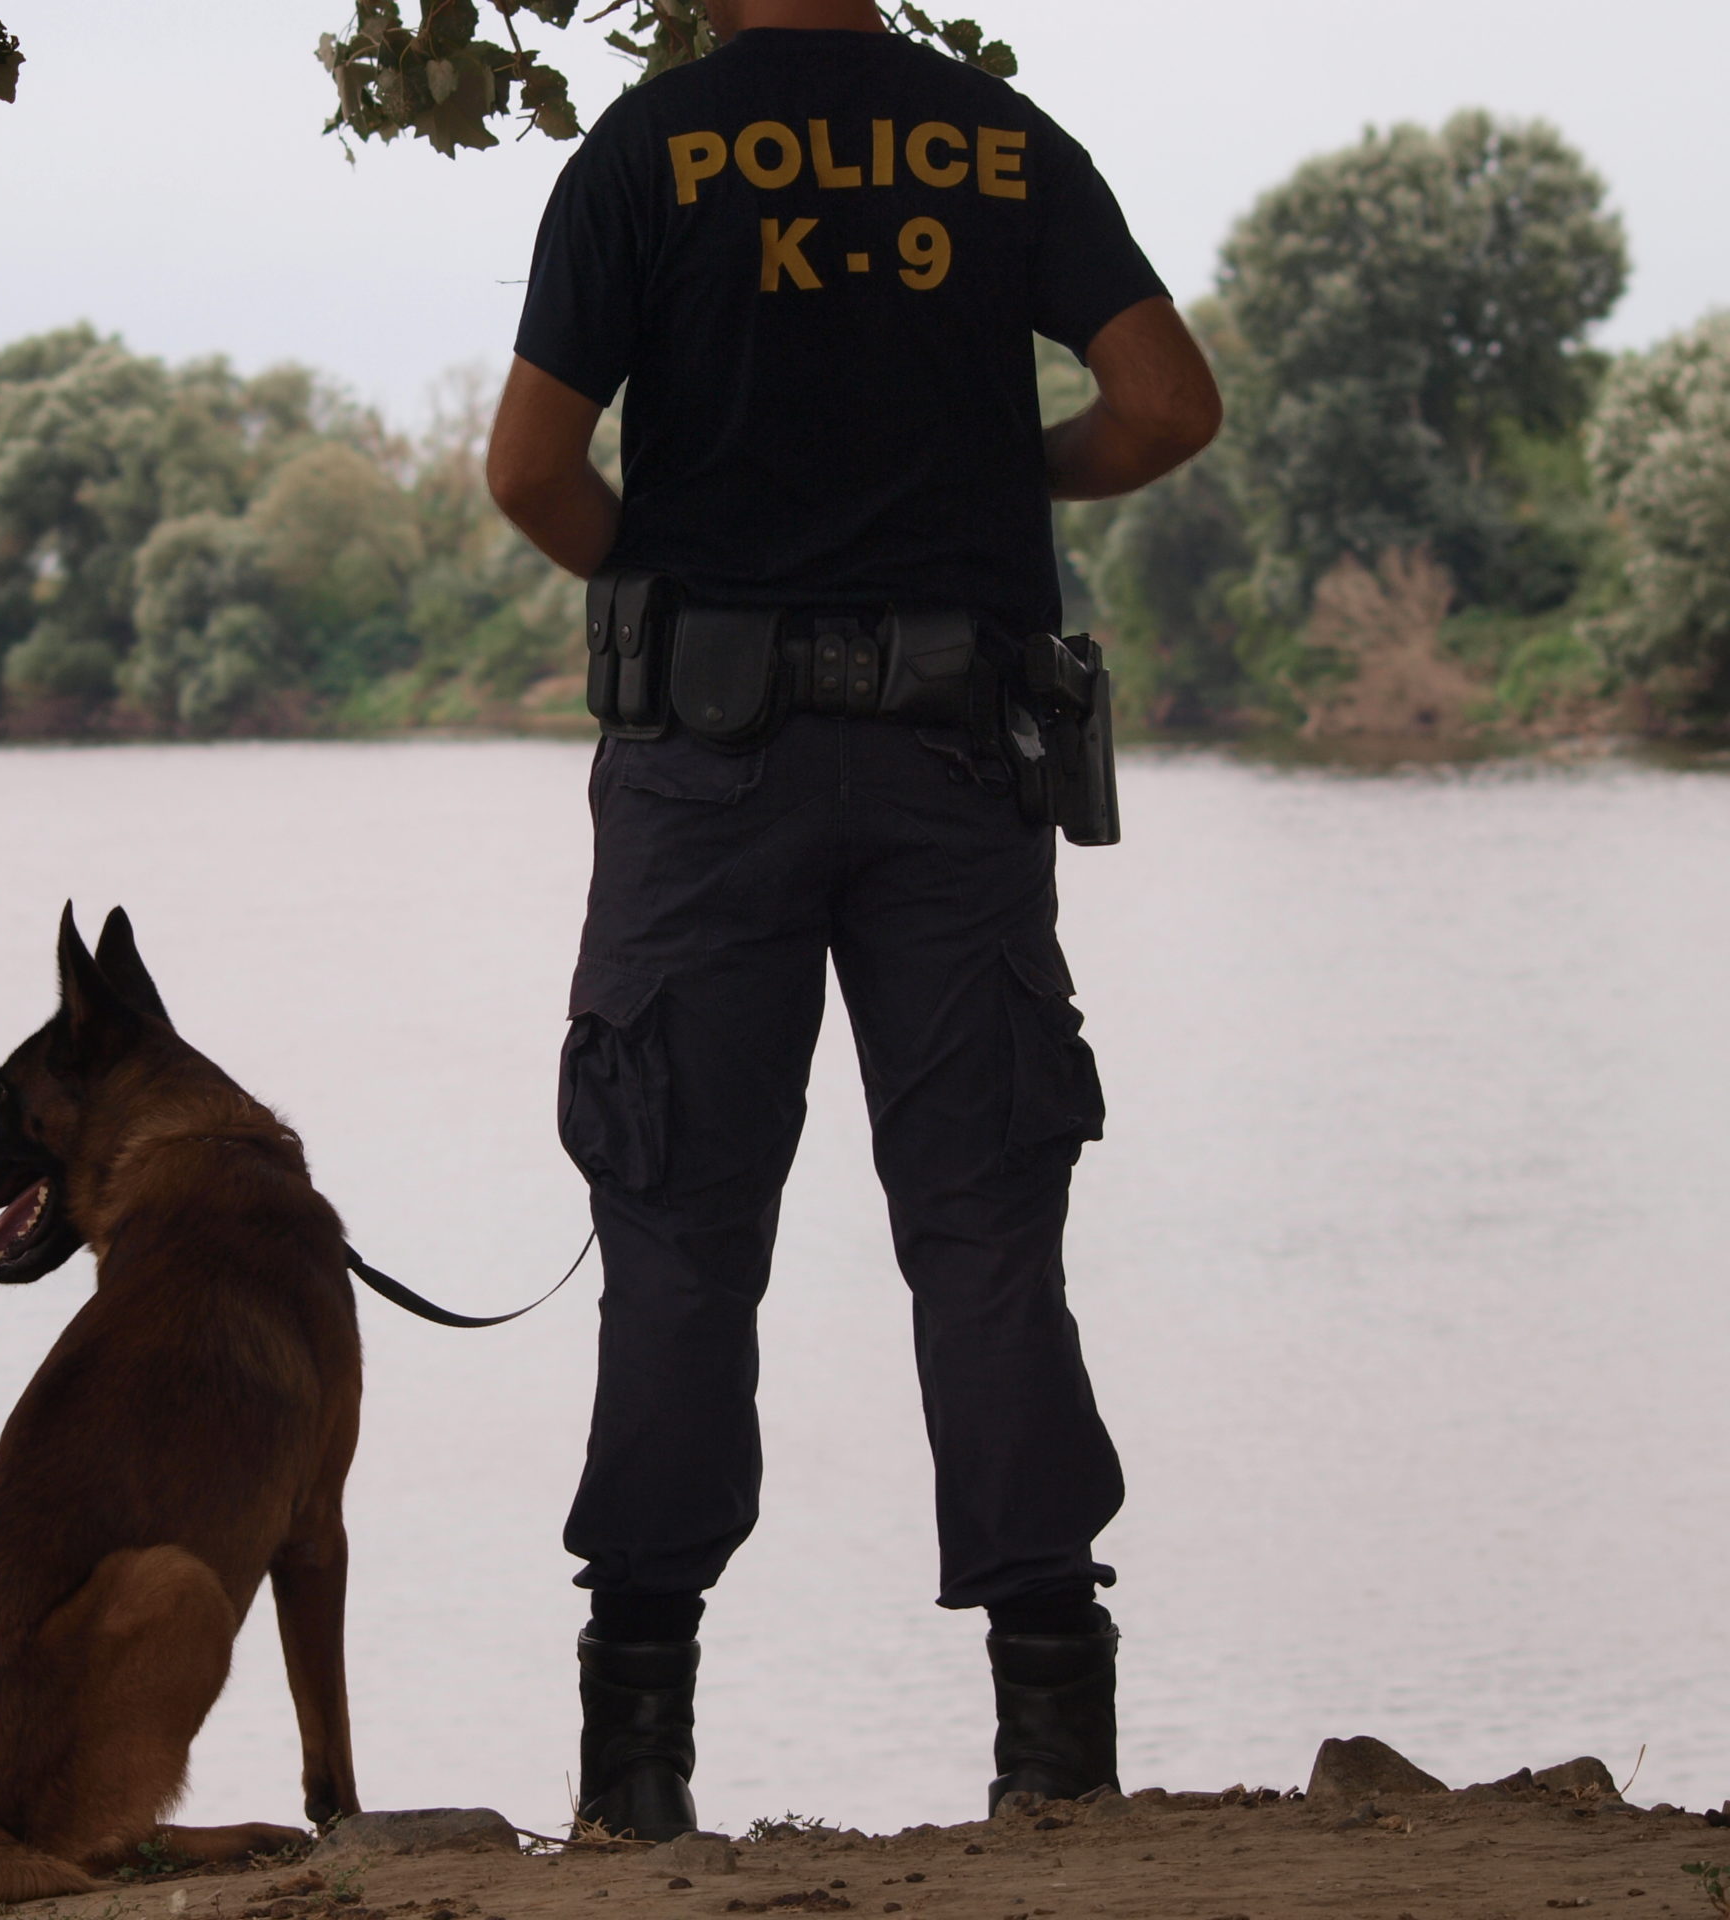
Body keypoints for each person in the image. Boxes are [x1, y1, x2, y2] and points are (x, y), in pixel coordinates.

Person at [483, 0, 1221, 1840]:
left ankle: (633, 1781)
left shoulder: (647, 155)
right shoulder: (999, 141)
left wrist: (659, 569)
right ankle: (1055, 1763)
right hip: (955, 768)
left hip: (703, 773)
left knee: (676, 1232)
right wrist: (1015, 478)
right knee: (983, 1229)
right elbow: (1166, 405)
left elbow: (528, 469)